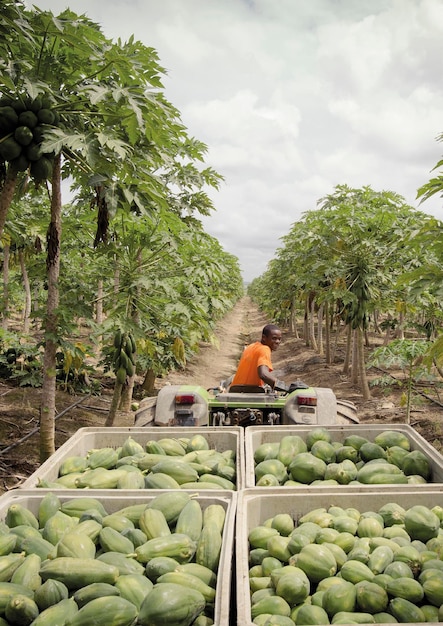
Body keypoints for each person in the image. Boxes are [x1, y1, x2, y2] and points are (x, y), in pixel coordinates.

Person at [230, 324, 282, 389]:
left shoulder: (251, 347)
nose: (277, 342)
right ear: (264, 338)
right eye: (274, 338)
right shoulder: (265, 349)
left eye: (279, 339)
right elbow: (263, 374)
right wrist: (283, 386)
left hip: (234, 390)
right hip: (251, 394)